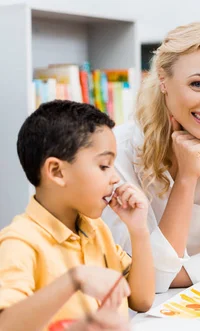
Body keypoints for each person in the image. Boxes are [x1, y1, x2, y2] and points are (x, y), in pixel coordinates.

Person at [102, 22, 200, 293]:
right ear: (162, 79)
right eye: (198, 84)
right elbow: (141, 279)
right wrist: (186, 178)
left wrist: (153, 274)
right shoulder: (116, 151)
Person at [0, 100, 155, 330]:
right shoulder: (20, 242)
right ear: (57, 171)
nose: (115, 178)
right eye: (104, 166)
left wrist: (138, 231)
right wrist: (74, 280)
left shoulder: (95, 229)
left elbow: (142, 300)